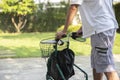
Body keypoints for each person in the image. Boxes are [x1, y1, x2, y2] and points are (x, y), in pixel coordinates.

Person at [56, 0, 120, 80]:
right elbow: (97, 8)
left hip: (101, 29)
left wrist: (64, 31)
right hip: (105, 28)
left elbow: (73, 7)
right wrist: (83, 28)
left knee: (107, 67)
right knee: (96, 64)